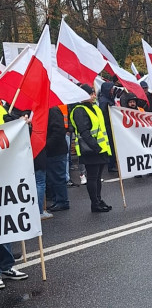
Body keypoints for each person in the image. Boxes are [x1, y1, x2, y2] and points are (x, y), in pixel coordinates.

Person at [69, 84, 113, 212]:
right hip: (90, 149)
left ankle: (98, 199)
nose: (94, 95)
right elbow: (84, 131)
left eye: (93, 93)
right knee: (92, 177)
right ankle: (94, 203)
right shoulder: (79, 110)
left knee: (97, 177)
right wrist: (96, 147)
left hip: (100, 148)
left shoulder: (95, 108)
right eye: (91, 93)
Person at [46, 106, 71, 211]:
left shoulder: (53, 110)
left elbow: (58, 130)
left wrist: (47, 144)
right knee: (54, 177)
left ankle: (62, 201)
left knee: (58, 177)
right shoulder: (50, 110)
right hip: (53, 150)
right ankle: (58, 200)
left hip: (56, 150)